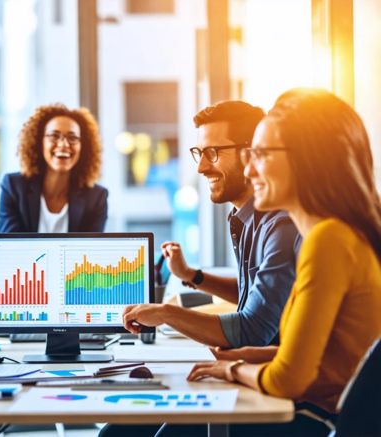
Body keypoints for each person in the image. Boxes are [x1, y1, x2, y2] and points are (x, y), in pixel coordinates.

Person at [185, 88, 381, 436]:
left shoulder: (329, 240)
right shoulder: (333, 235)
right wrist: (246, 357)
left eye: (260, 154)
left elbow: (290, 379)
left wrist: (231, 370)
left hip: (317, 422)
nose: (249, 168)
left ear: (305, 159)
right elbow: (324, 359)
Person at [122, 101, 300, 348]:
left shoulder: (282, 226)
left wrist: (165, 313)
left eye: (213, 153)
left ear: (250, 152)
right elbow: (253, 295)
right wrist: (191, 275)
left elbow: (253, 330)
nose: (202, 167)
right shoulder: (244, 218)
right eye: (199, 153)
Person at [0, 103, 108, 233]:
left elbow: (90, 251)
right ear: (40, 142)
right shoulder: (14, 187)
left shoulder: (96, 198)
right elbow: (8, 247)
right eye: (54, 136)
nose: (63, 144)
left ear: (83, 146)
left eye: (72, 138)